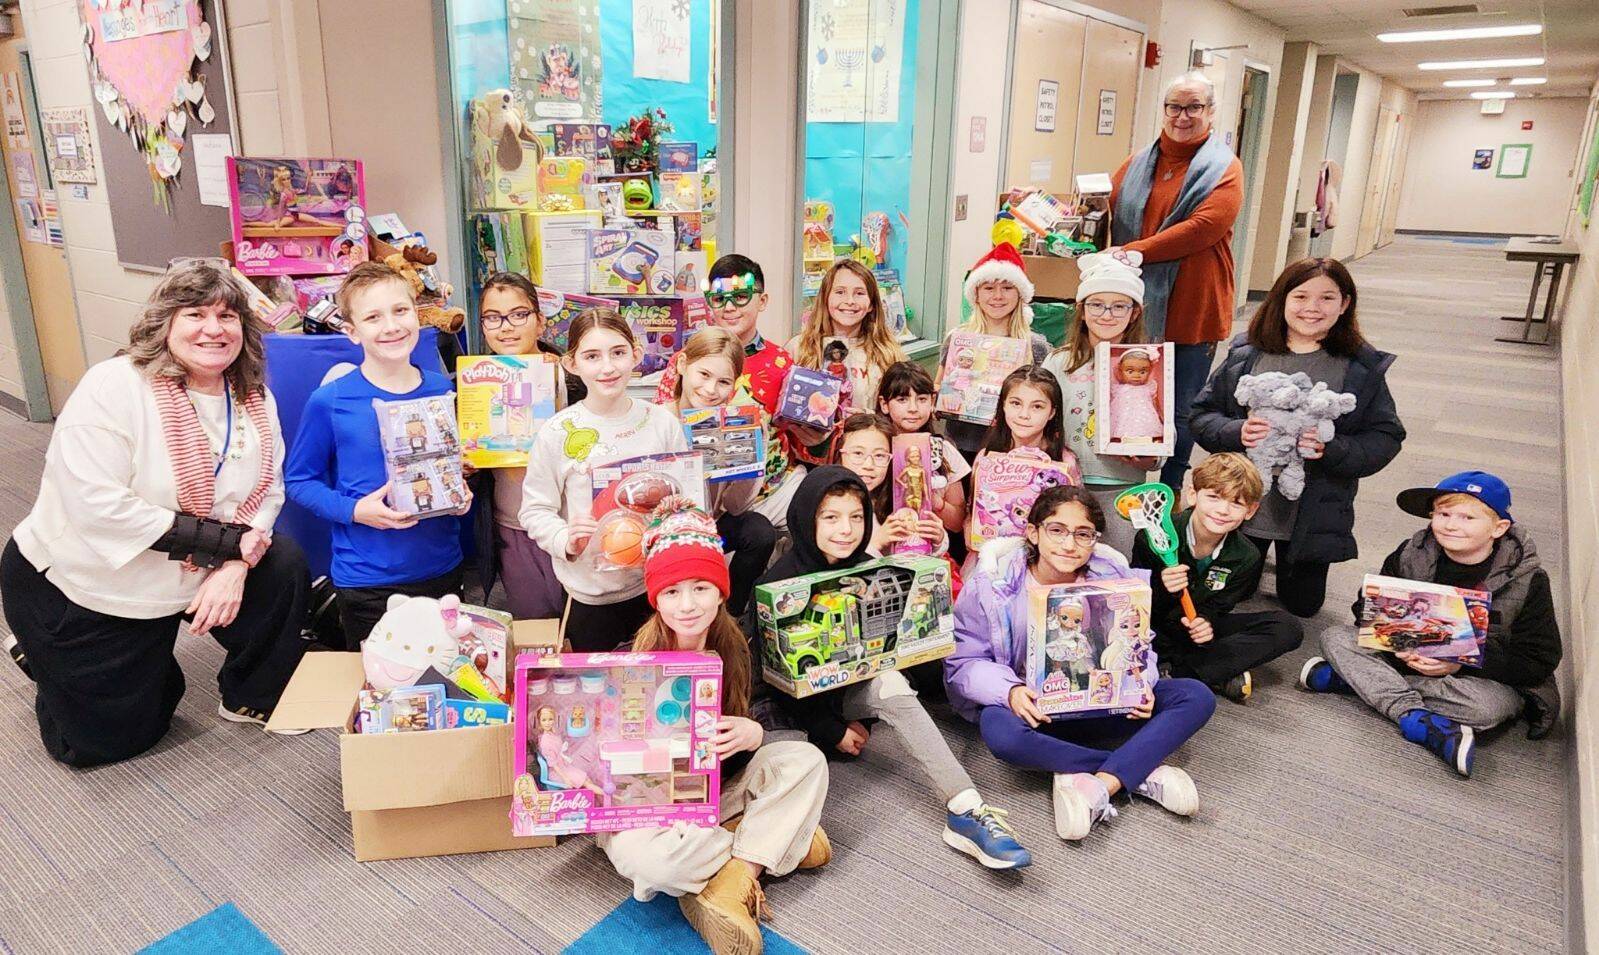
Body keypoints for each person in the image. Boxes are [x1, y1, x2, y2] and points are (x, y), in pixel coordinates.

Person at [1, 262, 311, 767]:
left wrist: (236, 565)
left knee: (283, 561)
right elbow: (96, 505)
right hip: (89, 586)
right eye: (195, 314)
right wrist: (228, 545)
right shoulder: (115, 386)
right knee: (106, 742)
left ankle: (252, 694)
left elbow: (269, 491)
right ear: (164, 322)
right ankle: (42, 653)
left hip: (194, 571)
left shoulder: (253, 397)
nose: (214, 329)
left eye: (227, 316)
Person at [751, 467, 1032, 870]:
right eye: (830, 517)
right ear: (806, 518)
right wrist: (830, 731)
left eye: (856, 517)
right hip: (792, 702)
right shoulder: (778, 586)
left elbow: (882, 647)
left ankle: (965, 807)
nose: (846, 529)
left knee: (892, 681)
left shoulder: (868, 566)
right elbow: (774, 680)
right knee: (787, 761)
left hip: (849, 687)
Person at [598, 498, 830, 955]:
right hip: (650, 807)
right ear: (656, 598)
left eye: (701, 587)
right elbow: (611, 771)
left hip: (715, 793)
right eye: (672, 592)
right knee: (650, 864)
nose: (687, 605)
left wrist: (753, 733)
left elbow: (772, 719)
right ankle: (766, 844)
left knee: (805, 760)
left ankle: (733, 877)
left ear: (721, 590)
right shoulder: (629, 658)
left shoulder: (739, 644)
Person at [946, 485, 1216, 840]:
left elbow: (1140, 643)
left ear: (1094, 540)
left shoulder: (1114, 575)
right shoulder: (991, 587)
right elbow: (962, 662)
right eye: (1056, 530)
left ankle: (1095, 780)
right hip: (1037, 711)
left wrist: (1143, 683)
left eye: (1083, 534)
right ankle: (1139, 772)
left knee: (1196, 695)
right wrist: (1010, 691)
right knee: (1000, 732)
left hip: (1106, 703)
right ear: (1033, 532)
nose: (1069, 544)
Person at [1301, 473, 1562, 777]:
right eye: (1443, 513)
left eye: (1467, 517)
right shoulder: (1412, 553)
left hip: (1473, 676)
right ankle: (1414, 718)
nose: (1451, 524)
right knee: (1335, 637)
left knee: (1487, 709)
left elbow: (1539, 659)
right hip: (1405, 657)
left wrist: (1457, 665)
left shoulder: (1528, 580)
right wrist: (1397, 641)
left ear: (1498, 528)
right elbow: (1365, 609)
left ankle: (1358, 682)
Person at [1189, 257, 1405, 618]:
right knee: (1232, 595)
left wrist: (1332, 449)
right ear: (1282, 299)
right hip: (1242, 503)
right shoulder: (1247, 354)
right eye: (1301, 296)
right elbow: (1201, 415)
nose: (1311, 308)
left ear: (1345, 304)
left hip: (1313, 509)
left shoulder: (1358, 367)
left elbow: (1385, 436)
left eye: (1327, 298)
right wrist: (1235, 431)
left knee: (1302, 606)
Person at [286, 261, 469, 645]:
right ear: (352, 332)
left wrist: (460, 487)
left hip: (441, 566)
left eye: (400, 311)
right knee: (382, 688)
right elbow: (300, 480)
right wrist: (355, 510)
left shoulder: (440, 390)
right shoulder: (331, 400)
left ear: (417, 315)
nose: (391, 326)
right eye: (373, 317)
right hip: (368, 577)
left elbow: (445, 466)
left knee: (447, 675)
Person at [520, 309, 692, 649]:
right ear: (571, 363)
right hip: (590, 595)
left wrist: (678, 518)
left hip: (655, 587)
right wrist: (564, 539)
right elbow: (534, 510)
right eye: (592, 356)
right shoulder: (557, 432)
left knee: (656, 685)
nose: (608, 367)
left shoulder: (662, 423)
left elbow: (684, 497)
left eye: (618, 352)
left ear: (636, 355)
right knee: (600, 691)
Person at [1108, 71, 1245, 494]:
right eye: (1174, 106)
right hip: (1134, 304)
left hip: (1193, 307)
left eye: (1193, 107)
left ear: (1210, 112)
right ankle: (1121, 486)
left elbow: (1202, 227)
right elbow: (1104, 212)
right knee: (1125, 397)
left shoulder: (1224, 167)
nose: (1182, 116)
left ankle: (1168, 492)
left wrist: (1138, 251)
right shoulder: (1136, 163)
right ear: (1164, 109)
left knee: (1181, 409)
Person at [1131, 453, 1303, 703]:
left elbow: (1219, 606)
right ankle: (1212, 672)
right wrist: (1161, 587)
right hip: (1151, 627)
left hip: (1190, 634)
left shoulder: (1246, 555)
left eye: (1236, 503)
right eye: (1213, 497)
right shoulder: (1155, 536)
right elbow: (1133, 605)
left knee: (1287, 628)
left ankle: (1181, 673)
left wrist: (1205, 622)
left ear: (1250, 510)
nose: (1223, 510)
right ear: (1193, 494)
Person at [470, 271, 585, 619]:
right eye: (493, 317)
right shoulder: (473, 384)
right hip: (512, 526)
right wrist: (466, 467)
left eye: (519, 314)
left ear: (539, 321)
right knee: (534, 628)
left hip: (572, 524)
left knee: (581, 627)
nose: (506, 327)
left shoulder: (575, 378)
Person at [1042, 251, 1159, 556]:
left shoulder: (1149, 364)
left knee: (1118, 559)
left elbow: (1160, 431)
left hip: (1123, 483)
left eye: (1119, 306)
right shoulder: (1058, 362)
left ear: (1135, 312)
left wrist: (1149, 458)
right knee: (1067, 557)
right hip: (1067, 480)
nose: (1107, 315)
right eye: (1097, 304)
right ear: (1081, 310)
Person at [662, 327, 779, 615]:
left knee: (759, 530)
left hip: (712, 532)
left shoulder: (730, 423)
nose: (711, 390)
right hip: (665, 535)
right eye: (704, 375)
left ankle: (733, 614)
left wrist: (754, 455)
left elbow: (735, 506)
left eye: (723, 381)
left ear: (734, 385)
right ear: (682, 365)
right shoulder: (659, 420)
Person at [936, 242, 1051, 461]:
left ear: (1020, 294)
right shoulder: (957, 340)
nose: (997, 296)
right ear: (976, 295)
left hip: (1014, 448)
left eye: (1007, 288)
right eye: (988, 288)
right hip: (961, 445)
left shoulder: (1035, 346)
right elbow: (938, 387)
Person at [785, 259, 908, 419]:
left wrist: (870, 418)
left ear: (871, 304)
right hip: (810, 441)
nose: (850, 301)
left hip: (865, 440)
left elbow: (900, 414)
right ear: (825, 298)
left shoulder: (888, 355)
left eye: (859, 293)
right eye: (840, 292)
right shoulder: (799, 348)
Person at [875, 361, 969, 534]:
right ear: (884, 404)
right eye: (902, 399)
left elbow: (958, 523)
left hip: (929, 549)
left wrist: (934, 500)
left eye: (922, 399)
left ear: (932, 401)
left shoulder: (944, 450)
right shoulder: (873, 447)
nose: (913, 408)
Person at [978, 366, 1068, 462]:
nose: (1024, 415)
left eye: (1037, 406)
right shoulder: (986, 456)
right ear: (1004, 405)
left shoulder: (1065, 461)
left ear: (1052, 412)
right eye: (1016, 403)